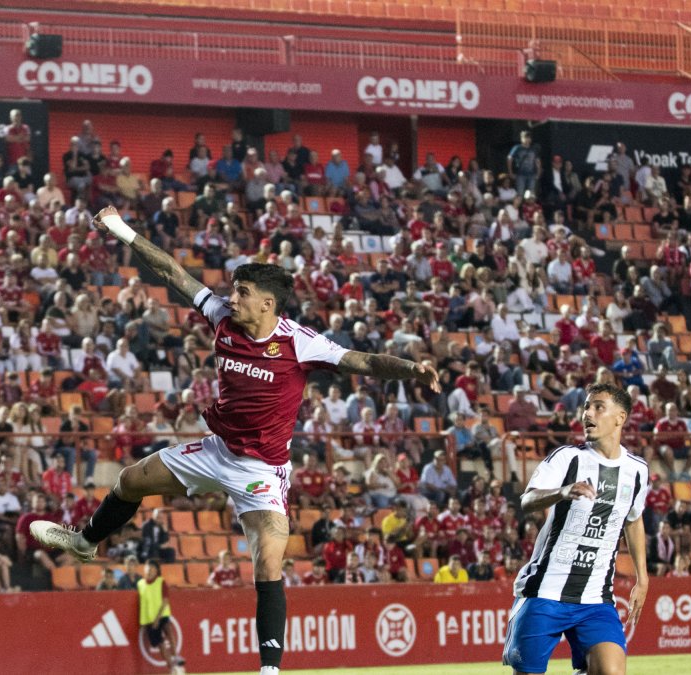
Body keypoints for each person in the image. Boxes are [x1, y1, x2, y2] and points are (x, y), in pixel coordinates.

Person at [31, 205, 440, 675]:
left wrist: (411, 368)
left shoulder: (299, 343)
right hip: (216, 451)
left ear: (268, 304)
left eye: (243, 292)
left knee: (268, 563)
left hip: (262, 471)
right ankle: (86, 541)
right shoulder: (221, 316)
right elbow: (171, 270)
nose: (233, 297)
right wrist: (122, 229)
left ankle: (269, 670)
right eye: (234, 290)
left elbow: (362, 362)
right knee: (129, 480)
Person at [503, 383, 649, 675]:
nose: (587, 413)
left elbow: (633, 519)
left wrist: (642, 578)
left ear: (620, 418)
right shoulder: (567, 458)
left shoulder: (637, 470)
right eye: (586, 406)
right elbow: (528, 499)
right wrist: (563, 491)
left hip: (596, 596)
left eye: (598, 407)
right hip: (544, 591)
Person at [138, 559, 186, 675]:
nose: (150, 571)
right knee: (160, 644)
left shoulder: (161, 582)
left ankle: (175, 657)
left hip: (161, 615)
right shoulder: (140, 584)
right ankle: (173, 668)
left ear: (157, 571)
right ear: (145, 569)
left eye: (153, 569)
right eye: (148, 568)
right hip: (149, 619)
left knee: (169, 632)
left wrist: (157, 618)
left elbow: (165, 601)